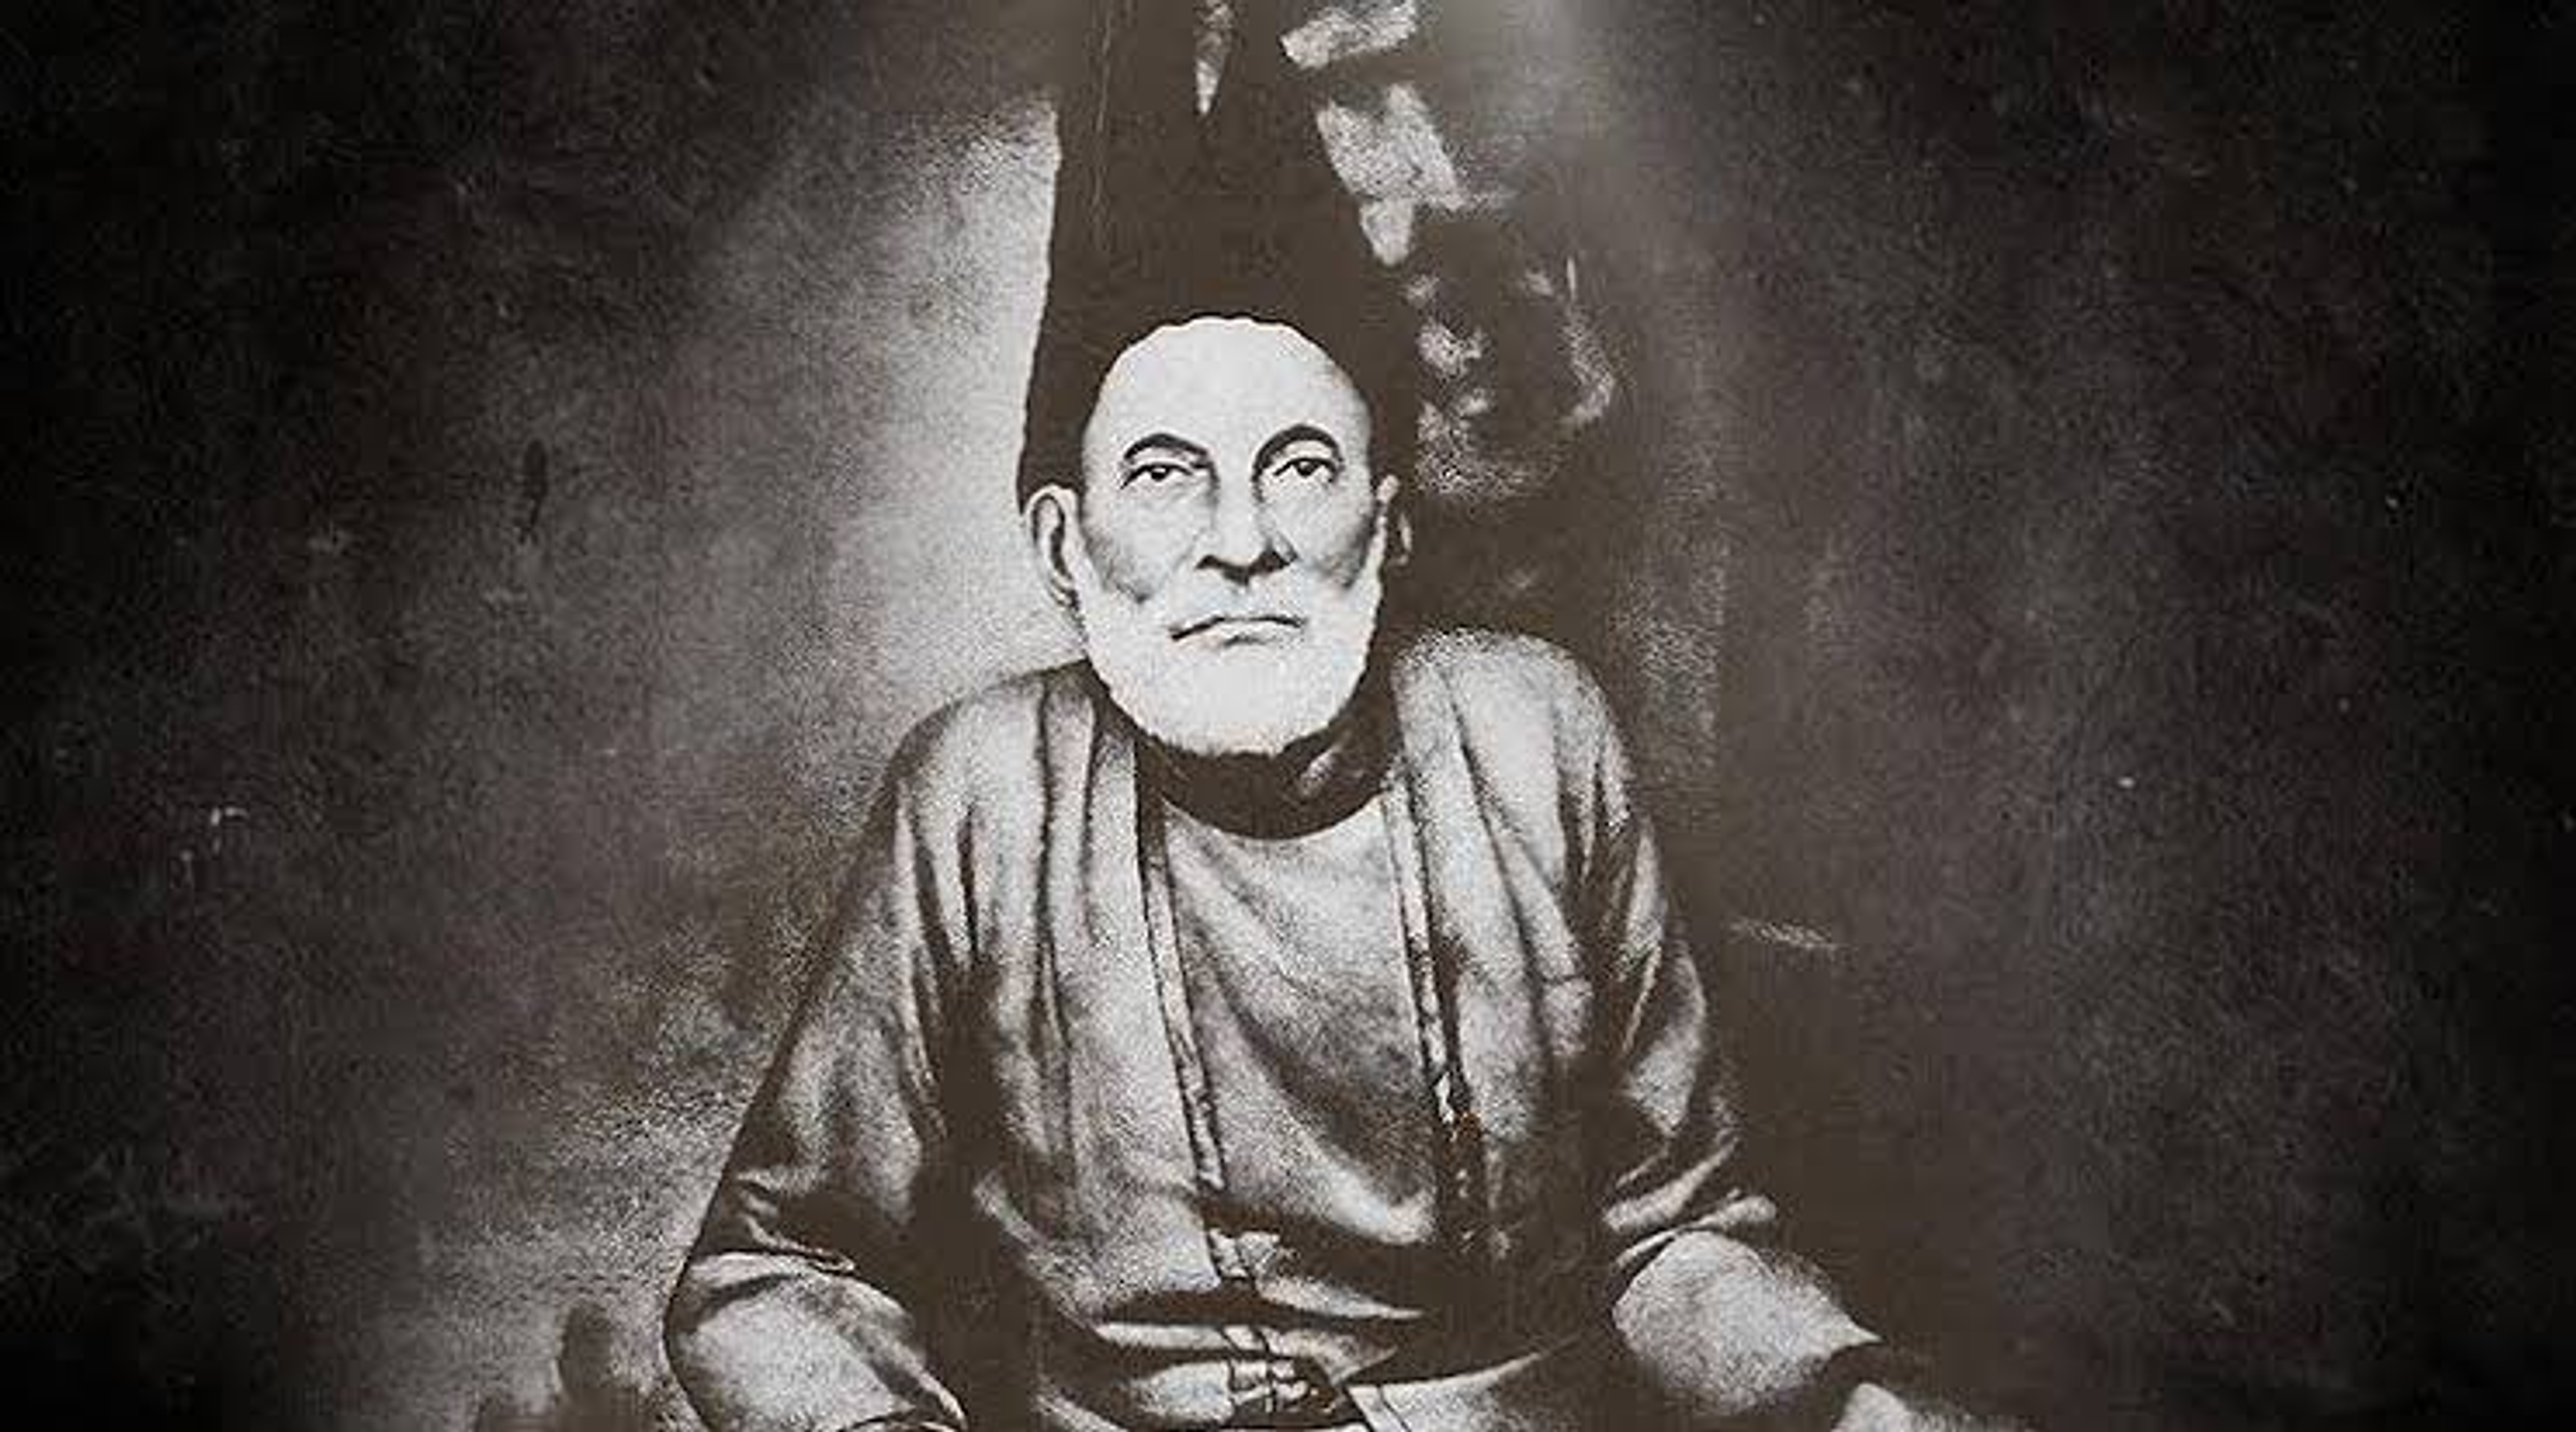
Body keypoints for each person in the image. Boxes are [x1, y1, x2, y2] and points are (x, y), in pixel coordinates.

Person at [662, 217, 2016, 1429]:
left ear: (1386, 527)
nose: (1241, 539)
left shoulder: (1536, 728)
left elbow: (1677, 1232)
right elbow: (778, 1267)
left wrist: (1857, 1398)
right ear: (1066, 546)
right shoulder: (981, 789)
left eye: (1299, 467)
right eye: (1167, 475)